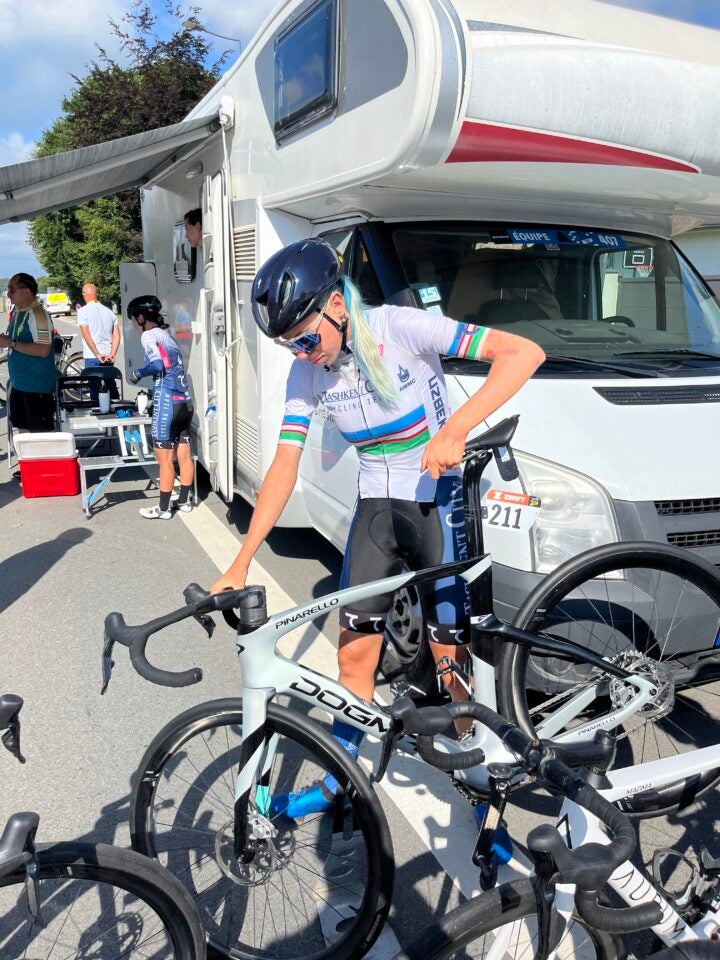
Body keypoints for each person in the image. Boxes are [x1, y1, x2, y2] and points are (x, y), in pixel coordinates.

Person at [210, 238, 545, 817]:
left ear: (338, 305)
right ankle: (341, 779)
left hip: (436, 504)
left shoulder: (403, 328)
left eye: (307, 338)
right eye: (289, 345)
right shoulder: (307, 375)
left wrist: (457, 428)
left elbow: (525, 353)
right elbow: (284, 465)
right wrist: (241, 559)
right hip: (377, 513)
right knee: (354, 657)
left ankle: (480, 767)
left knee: (450, 657)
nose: (302, 353)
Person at [126, 296, 195, 519]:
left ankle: (164, 509)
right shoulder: (168, 336)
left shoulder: (148, 335)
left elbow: (157, 365)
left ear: (140, 318)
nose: (135, 327)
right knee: (184, 455)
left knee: (164, 459)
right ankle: (184, 501)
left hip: (166, 402)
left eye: (133, 321)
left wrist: (137, 374)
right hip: (184, 401)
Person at [0, 273, 57, 432]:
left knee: (40, 439)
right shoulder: (19, 312)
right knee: (23, 436)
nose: (8, 294)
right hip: (19, 385)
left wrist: (10, 343)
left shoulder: (38, 315)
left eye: (12, 289)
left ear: (26, 291)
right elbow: (15, 340)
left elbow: (43, 350)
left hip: (36, 388)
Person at [77, 283, 121, 403]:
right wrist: (113, 353)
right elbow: (117, 335)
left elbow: (87, 336)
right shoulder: (109, 312)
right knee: (110, 383)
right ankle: (116, 408)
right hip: (108, 355)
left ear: (84, 295)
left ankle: (97, 410)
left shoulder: (83, 312)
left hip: (92, 356)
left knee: (94, 386)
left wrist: (96, 353)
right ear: (97, 295)